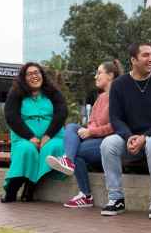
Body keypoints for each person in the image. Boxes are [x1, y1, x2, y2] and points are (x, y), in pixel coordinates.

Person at [100, 43, 151, 219]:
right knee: (108, 144)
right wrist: (129, 137)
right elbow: (116, 118)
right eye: (145, 55)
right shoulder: (119, 85)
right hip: (133, 138)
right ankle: (116, 198)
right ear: (133, 60)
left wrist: (146, 136)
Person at [46, 60, 123, 208]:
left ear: (110, 75)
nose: (96, 76)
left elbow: (115, 125)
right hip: (94, 140)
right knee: (72, 127)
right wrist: (88, 131)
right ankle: (68, 162)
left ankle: (85, 194)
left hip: (110, 142)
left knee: (76, 152)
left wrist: (91, 132)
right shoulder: (100, 98)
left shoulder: (118, 97)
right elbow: (92, 121)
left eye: (99, 73)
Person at [1, 62, 68, 203]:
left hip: (53, 136)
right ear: (24, 78)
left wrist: (47, 136)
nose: (34, 76)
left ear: (42, 75)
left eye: (36, 72)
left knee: (51, 149)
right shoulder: (16, 93)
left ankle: (30, 187)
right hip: (23, 137)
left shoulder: (52, 92)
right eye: (29, 74)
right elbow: (11, 117)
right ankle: (12, 189)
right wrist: (30, 137)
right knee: (27, 150)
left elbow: (61, 113)